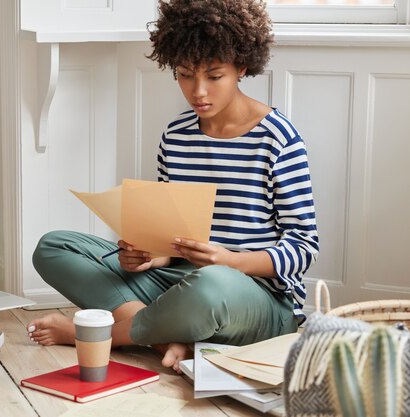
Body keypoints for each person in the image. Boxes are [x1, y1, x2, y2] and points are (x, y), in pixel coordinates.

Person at [26, 0, 319, 372]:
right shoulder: (176, 135)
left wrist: (230, 261)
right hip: (178, 282)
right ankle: (166, 335)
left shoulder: (279, 139)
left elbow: (304, 246)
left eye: (214, 76)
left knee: (211, 284)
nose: (198, 91)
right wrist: (151, 255)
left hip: (252, 297)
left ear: (242, 67)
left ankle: (101, 335)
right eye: (185, 74)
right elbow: (172, 234)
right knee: (54, 246)